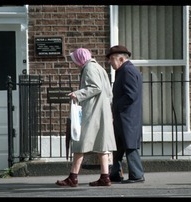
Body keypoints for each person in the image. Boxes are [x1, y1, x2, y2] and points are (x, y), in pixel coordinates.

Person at [56, 48, 117, 187]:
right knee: (102, 145)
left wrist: (77, 94)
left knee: (80, 142)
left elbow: (95, 87)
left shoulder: (89, 67)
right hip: (103, 111)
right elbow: (107, 91)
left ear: (80, 58)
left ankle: (73, 177)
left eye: (75, 60)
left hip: (93, 112)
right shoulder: (99, 67)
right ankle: (105, 177)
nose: (75, 63)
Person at [106, 45, 145, 183]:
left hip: (127, 117)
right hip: (123, 117)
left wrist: (115, 105)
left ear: (121, 59)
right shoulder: (123, 70)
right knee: (118, 146)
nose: (109, 62)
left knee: (130, 146)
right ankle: (115, 174)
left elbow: (131, 95)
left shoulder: (127, 71)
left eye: (111, 59)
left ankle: (137, 174)